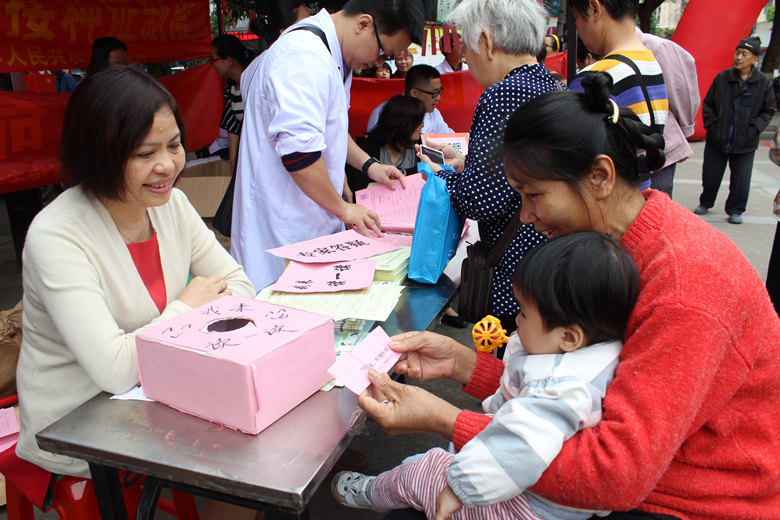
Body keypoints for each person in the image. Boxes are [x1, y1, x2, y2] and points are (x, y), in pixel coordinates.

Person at [357, 72, 780, 520]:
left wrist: (444, 419)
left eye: (534, 194)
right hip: (639, 477)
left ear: (600, 176)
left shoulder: (684, 288)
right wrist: (463, 365)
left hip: (687, 501)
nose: (527, 216)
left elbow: (612, 476)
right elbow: (578, 392)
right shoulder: (617, 248)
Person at [14, 66, 257, 516]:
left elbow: (241, 286)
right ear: (100, 154)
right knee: (243, 455)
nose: (167, 165)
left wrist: (182, 317)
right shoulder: (58, 235)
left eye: (174, 145)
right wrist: (188, 306)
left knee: (257, 442)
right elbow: (114, 369)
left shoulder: (171, 205)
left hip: (161, 389)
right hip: (80, 420)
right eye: (146, 152)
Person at [333, 231, 640, 520]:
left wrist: (460, 487)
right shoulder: (592, 350)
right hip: (535, 495)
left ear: (570, 337)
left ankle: (371, 492)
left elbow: (520, 445)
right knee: (434, 462)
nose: (516, 320)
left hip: (525, 504)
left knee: (424, 471)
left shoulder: (560, 386)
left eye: (523, 313)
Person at [231, 0, 424, 290]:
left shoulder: (332, 55)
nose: (379, 63)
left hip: (314, 216)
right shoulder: (303, 57)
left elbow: (330, 130)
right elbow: (299, 155)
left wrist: (369, 165)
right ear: (363, 24)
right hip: (284, 226)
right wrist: (344, 209)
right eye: (383, 52)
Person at [417, 0, 557, 332]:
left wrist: (444, 177)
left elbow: (480, 200)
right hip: (545, 258)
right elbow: (519, 169)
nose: (467, 60)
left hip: (516, 271)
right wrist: (468, 164)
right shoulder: (546, 83)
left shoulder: (502, 94)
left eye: (466, 49)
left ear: (486, 40)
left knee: (508, 361)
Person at [569, 0, 667, 190]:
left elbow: (574, 160)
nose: (578, 28)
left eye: (576, 18)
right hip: (641, 194)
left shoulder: (594, 78)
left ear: (594, 8)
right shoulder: (651, 63)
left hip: (606, 203)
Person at [693, 36, 776, 224]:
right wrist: (712, 126)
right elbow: (708, 105)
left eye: (744, 54)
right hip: (718, 138)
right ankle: (706, 202)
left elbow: (769, 109)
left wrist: (754, 129)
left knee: (741, 179)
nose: (739, 57)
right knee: (710, 175)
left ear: (755, 58)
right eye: (737, 53)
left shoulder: (762, 83)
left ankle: (735, 210)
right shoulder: (723, 78)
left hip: (745, 142)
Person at [637, 28, 699, 198]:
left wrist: (684, 133)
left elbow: (681, 91)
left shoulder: (656, 47)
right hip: (627, 153)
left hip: (659, 149)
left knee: (655, 209)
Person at [348, 95, 426, 192]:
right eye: (419, 122)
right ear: (403, 124)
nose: (422, 126)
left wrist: (404, 172)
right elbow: (359, 186)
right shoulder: (368, 148)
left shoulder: (420, 146)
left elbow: (426, 170)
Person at [367, 64, 454, 135]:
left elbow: (449, 137)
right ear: (415, 93)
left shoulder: (434, 113)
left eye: (440, 92)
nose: (438, 98)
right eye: (434, 93)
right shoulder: (383, 113)